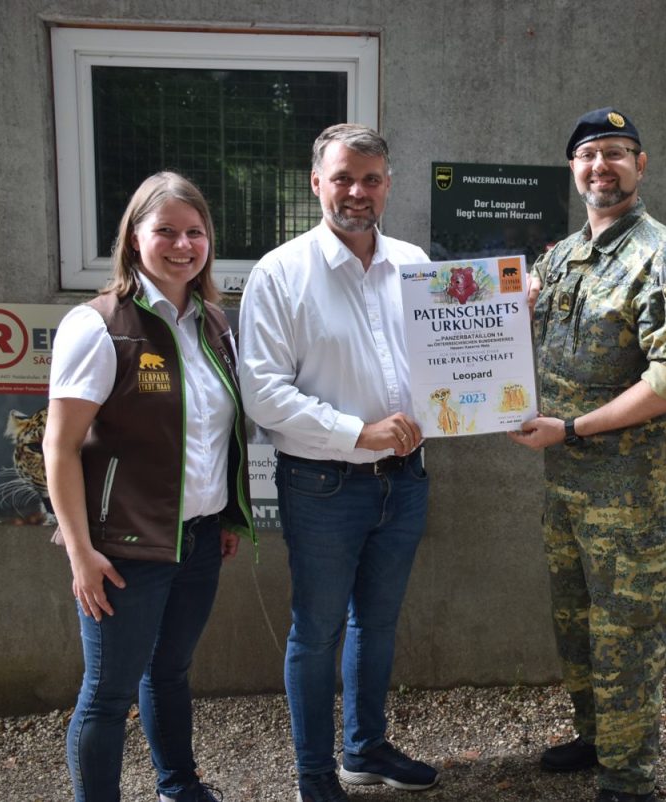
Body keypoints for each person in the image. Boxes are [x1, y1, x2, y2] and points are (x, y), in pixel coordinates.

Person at [509, 107, 666, 802]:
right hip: (563, 483)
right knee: (574, 621)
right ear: (574, 169)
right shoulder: (560, 258)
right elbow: (502, 333)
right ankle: (596, 737)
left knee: (626, 634)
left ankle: (630, 779)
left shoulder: (663, 255)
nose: (602, 166)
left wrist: (571, 429)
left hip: (626, 491)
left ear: (640, 165)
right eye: (589, 154)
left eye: (617, 153)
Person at [237, 123, 437, 802]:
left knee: (377, 624)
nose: (357, 192)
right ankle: (315, 775)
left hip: (404, 482)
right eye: (343, 177)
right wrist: (360, 433)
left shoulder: (413, 261)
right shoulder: (281, 272)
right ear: (317, 181)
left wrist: (502, 323)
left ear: (388, 185)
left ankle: (364, 749)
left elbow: (447, 357)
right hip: (323, 485)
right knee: (316, 631)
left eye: (372, 178)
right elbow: (264, 393)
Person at [44, 171, 255, 802]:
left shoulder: (215, 324)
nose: (182, 245)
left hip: (196, 540)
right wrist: (82, 553)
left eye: (195, 232)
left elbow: (215, 435)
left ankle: (179, 785)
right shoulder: (99, 325)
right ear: (135, 238)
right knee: (108, 696)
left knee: (170, 672)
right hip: (123, 550)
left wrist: (219, 518)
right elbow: (59, 446)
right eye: (165, 230)